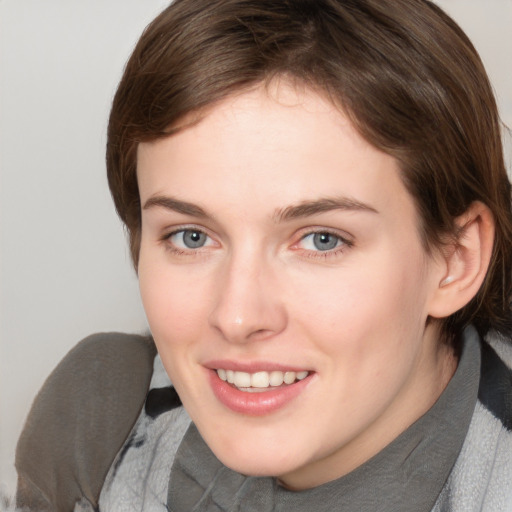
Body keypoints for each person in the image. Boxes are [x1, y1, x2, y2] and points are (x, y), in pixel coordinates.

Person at [14, 0, 512, 510]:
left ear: (455, 259)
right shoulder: (103, 432)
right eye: (191, 236)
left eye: (322, 240)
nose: (237, 316)